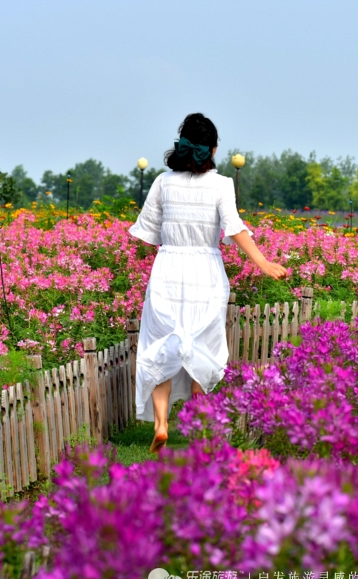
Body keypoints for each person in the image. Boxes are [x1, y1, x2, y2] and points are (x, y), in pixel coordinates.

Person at [128, 113, 288, 453]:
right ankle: (200, 423)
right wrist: (263, 262)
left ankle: (160, 423)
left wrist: (147, 257)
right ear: (213, 149)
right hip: (205, 273)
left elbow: (146, 236)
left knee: (162, 345)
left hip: (168, 270)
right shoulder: (222, 185)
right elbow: (234, 229)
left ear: (181, 147)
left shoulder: (161, 182)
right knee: (203, 345)